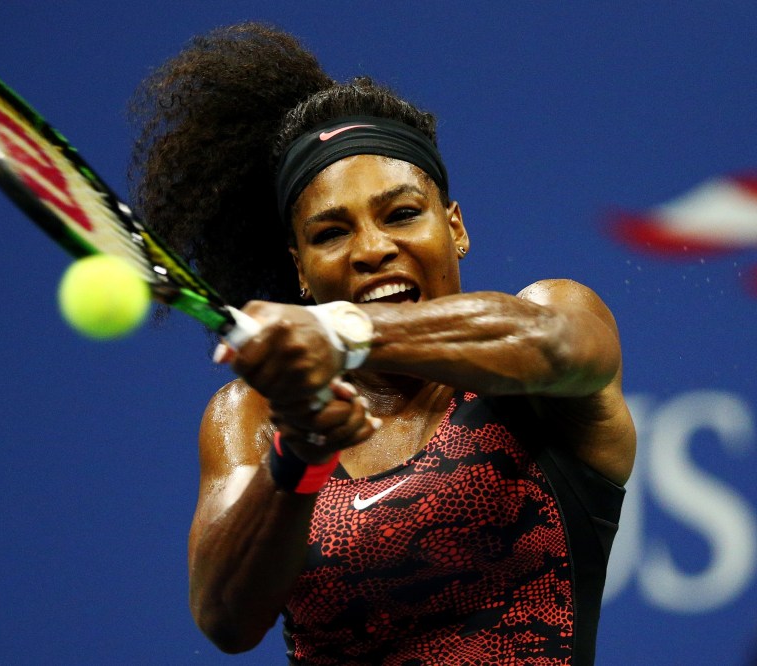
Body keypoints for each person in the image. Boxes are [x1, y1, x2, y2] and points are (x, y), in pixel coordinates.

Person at [129, 22, 636, 666]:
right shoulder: (251, 416)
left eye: (400, 214)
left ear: (455, 227)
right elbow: (224, 617)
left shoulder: (553, 316)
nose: (372, 250)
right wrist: (299, 455)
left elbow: (555, 345)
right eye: (331, 233)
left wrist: (345, 333)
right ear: (300, 271)